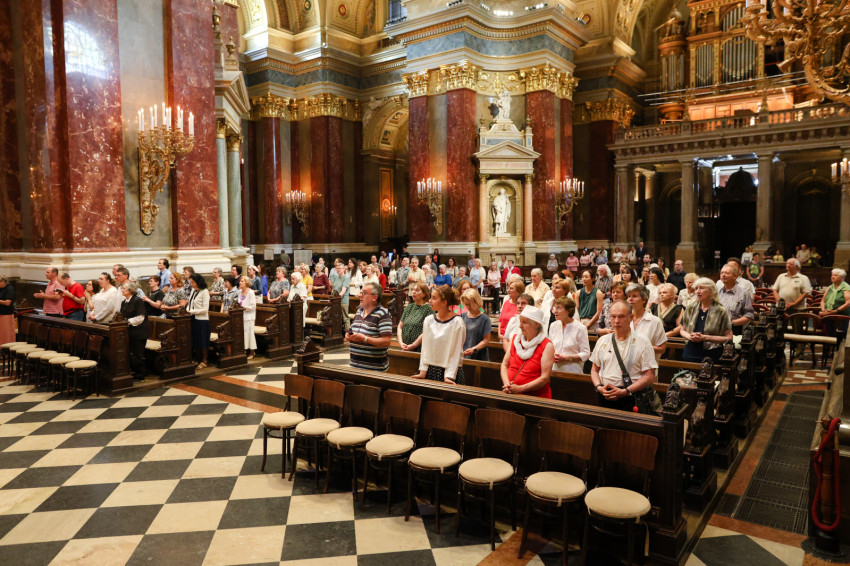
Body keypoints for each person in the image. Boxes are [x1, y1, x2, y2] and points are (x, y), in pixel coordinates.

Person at [589, 300, 658, 412]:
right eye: (613, 316)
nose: (616, 321)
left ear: (631, 317)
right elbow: (594, 370)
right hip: (604, 394)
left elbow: (650, 375)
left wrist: (626, 391)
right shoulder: (602, 340)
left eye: (621, 316)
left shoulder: (643, 341)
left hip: (630, 395)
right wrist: (599, 387)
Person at [411, 285, 466, 384]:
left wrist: (449, 376)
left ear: (444, 302)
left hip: (449, 371)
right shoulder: (429, 320)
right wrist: (423, 371)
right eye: (430, 297)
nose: (430, 301)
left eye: (434, 298)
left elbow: (455, 351)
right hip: (431, 369)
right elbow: (425, 348)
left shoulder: (457, 322)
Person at [500, 305, 554, 397]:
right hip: (510, 393)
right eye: (520, 321)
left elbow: (544, 378)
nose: (520, 326)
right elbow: (504, 364)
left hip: (535, 398)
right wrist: (507, 384)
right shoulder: (515, 340)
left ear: (536, 324)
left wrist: (520, 388)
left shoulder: (547, 345)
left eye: (524, 322)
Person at [680, 277, 733, 363]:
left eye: (702, 288)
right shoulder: (691, 307)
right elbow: (682, 330)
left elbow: (729, 338)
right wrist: (690, 337)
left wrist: (705, 338)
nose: (698, 291)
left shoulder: (721, 310)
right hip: (690, 351)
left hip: (712, 354)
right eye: (696, 288)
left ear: (711, 291)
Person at [347, 282, 393, 371]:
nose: (360, 295)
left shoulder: (383, 314)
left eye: (364, 293)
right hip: (354, 367)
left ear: (374, 297)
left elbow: (386, 341)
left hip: (374, 369)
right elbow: (352, 329)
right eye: (360, 292)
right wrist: (348, 335)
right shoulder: (359, 311)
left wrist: (364, 338)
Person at [773, 258, 812, 350]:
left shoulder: (803, 278)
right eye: (787, 263)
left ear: (797, 266)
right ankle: (780, 350)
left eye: (790, 264)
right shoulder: (781, 276)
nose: (788, 265)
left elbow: (805, 293)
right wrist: (780, 302)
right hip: (782, 308)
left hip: (798, 308)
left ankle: (799, 352)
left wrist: (794, 303)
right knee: (780, 329)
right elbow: (775, 290)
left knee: (798, 331)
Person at [549, 296, 590, 374]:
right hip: (554, 370)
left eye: (559, 308)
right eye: (555, 308)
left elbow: (586, 354)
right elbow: (550, 348)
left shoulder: (580, 328)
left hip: (573, 372)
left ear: (569, 311)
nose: (555, 311)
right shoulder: (553, 325)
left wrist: (567, 358)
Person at [626, 283, 667, 360]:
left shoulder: (655, 321)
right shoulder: (624, 319)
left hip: (646, 365)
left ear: (644, 300)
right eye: (628, 296)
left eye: (634, 296)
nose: (630, 299)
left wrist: (641, 346)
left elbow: (662, 349)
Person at [119, 281, 149, 381]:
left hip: (138, 332)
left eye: (124, 288)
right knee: (131, 353)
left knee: (137, 354)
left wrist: (126, 322)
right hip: (128, 332)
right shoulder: (124, 302)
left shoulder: (138, 301)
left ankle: (140, 375)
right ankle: (133, 371)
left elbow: (140, 318)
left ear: (130, 290)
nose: (122, 290)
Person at [717, 263, 754, 334]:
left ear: (735, 276)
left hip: (736, 329)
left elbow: (749, 315)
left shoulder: (744, 293)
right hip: (718, 329)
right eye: (722, 273)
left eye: (727, 273)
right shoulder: (717, 292)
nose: (723, 275)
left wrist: (732, 323)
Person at [398, 281, 432, 352]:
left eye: (417, 290)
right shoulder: (409, 307)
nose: (413, 292)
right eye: (413, 290)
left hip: (419, 349)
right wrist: (401, 343)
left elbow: (427, 331)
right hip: (405, 347)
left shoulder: (429, 309)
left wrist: (413, 345)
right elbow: (400, 326)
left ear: (424, 294)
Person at [186, 273, 211, 369]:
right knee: (195, 340)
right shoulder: (194, 290)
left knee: (203, 340)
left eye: (193, 282)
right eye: (191, 282)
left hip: (202, 320)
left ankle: (205, 360)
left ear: (198, 282)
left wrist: (191, 311)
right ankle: (197, 359)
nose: (191, 284)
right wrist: (187, 310)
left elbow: (205, 309)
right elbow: (190, 303)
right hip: (193, 318)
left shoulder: (205, 292)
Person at [461, 288, 491, 361]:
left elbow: (486, 340)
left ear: (476, 302)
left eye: (470, 305)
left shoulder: (485, 319)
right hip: (464, 354)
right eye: (466, 304)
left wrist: (474, 349)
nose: (468, 307)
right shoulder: (463, 316)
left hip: (479, 356)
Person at [821, 268, 850, 338]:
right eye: (832, 275)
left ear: (842, 278)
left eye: (835, 275)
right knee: (829, 335)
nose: (832, 277)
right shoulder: (829, 287)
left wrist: (836, 311)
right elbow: (823, 300)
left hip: (841, 317)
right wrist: (823, 309)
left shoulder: (846, 287)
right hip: (828, 315)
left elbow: (848, 302)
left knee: (840, 337)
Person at [237, 276, 257, 359]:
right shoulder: (239, 292)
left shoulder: (251, 292)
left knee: (249, 334)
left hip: (249, 316)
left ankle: (252, 351)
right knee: (243, 334)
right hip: (241, 316)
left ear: (246, 283)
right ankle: (244, 350)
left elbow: (253, 306)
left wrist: (244, 307)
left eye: (242, 281)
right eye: (240, 281)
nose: (240, 282)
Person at [332, 263, 351, 330]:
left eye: (339, 268)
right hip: (335, 301)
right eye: (337, 268)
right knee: (336, 318)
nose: (338, 270)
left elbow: (343, 290)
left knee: (345, 318)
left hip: (343, 300)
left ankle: (348, 333)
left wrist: (336, 298)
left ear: (343, 269)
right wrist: (332, 298)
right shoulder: (336, 277)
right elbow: (333, 289)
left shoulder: (346, 277)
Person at [0, 277, 15, 345]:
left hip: (6, 314)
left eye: (0, 282)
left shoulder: (9, 289)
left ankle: (5, 349)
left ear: (4, 282)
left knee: (5, 334)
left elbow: (7, 303)